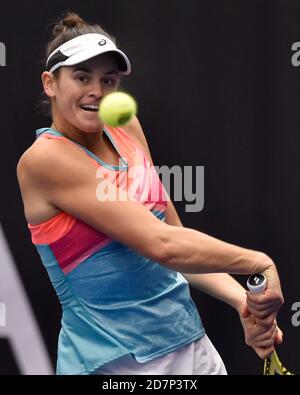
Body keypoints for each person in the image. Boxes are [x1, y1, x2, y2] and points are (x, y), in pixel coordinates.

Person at [16, 12, 284, 375]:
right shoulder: (44, 160)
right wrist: (258, 262)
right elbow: (161, 244)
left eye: (108, 80)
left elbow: (175, 237)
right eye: (82, 77)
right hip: (115, 366)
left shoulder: (123, 124)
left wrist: (242, 302)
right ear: (50, 83)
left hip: (191, 346)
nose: (97, 91)